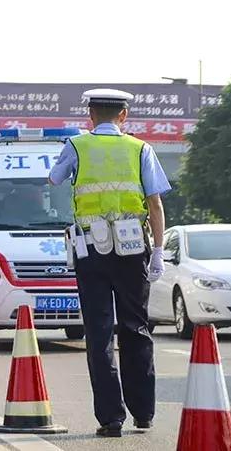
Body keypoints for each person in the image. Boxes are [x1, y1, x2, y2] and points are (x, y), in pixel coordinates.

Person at [49, 88, 169, 438]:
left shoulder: (77, 146)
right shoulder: (140, 148)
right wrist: (158, 251)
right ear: (123, 116)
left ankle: (110, 418)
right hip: (133, 249)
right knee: (136, 327)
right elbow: (155, 202)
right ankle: (143, 413)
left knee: (99, 333)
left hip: (92, 250)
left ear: (90, 116)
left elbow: (54, 179)